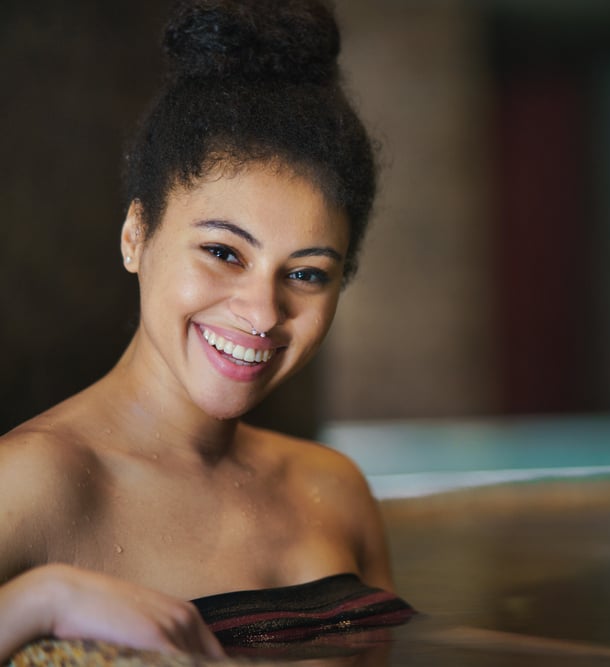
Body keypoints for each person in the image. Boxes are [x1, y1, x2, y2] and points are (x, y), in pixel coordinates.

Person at [0, 0, 412, 659]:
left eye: (306, 274)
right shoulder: (29, 483)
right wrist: (39, 599)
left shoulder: (336, 489)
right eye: (223, 252)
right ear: (137, 235)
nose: (262, 312)